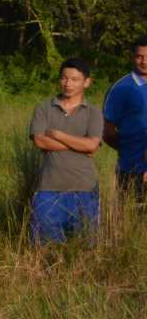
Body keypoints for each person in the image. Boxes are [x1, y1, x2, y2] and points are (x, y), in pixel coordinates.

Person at [30, 58, 105, 245]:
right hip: (49, 188)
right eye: (64, 78)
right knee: (44, 244)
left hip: (85, 188)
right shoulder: (44, 108)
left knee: (86, 245)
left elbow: (92, 146)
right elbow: (39, 140)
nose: (68, 84)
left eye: (75, 79)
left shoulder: (93, 112)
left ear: (87, 82)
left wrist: (58, 135)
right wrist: (80, 145)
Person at [103, 36, 147, 204]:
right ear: (132, 57)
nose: (144, 61)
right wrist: (130, 149)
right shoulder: (121, 88)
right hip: (132, 170)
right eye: (139, 56)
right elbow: (108, 133)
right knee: (133, 216)